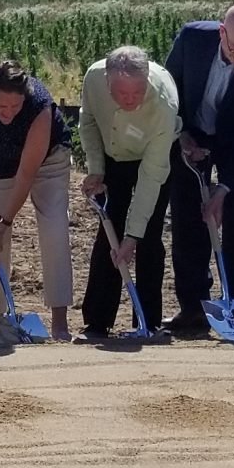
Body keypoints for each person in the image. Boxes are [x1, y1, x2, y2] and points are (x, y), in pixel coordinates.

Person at [162, 5, 234, 335]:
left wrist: (226, 188)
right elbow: (169, 92)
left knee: (233, 217)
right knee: (187, 219)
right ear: (221, 32)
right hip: (190, 131)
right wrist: (181, 134)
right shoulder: (191, 39)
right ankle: (194, 309)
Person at [0, 59, 74, 342]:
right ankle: (0, 321)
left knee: (54, 226)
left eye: (15, 107)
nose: (8, 113)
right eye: (0, 107)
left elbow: (26, 175)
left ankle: (60, 322)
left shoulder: (39, 109)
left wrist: (5, 221)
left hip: (46, 160)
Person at [76, 47, 180, 339]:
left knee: (148, 234)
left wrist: (132, 237)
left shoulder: (163, 104)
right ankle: (97, 322)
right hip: (112, 154)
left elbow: (151, 178)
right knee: (108, 230)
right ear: (107, 81)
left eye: (137, 92)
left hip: (152, 156)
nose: (130, 99)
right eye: (122, 93)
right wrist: (96, 168)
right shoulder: (93, 78)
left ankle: (147, 323)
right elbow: (89, 121)